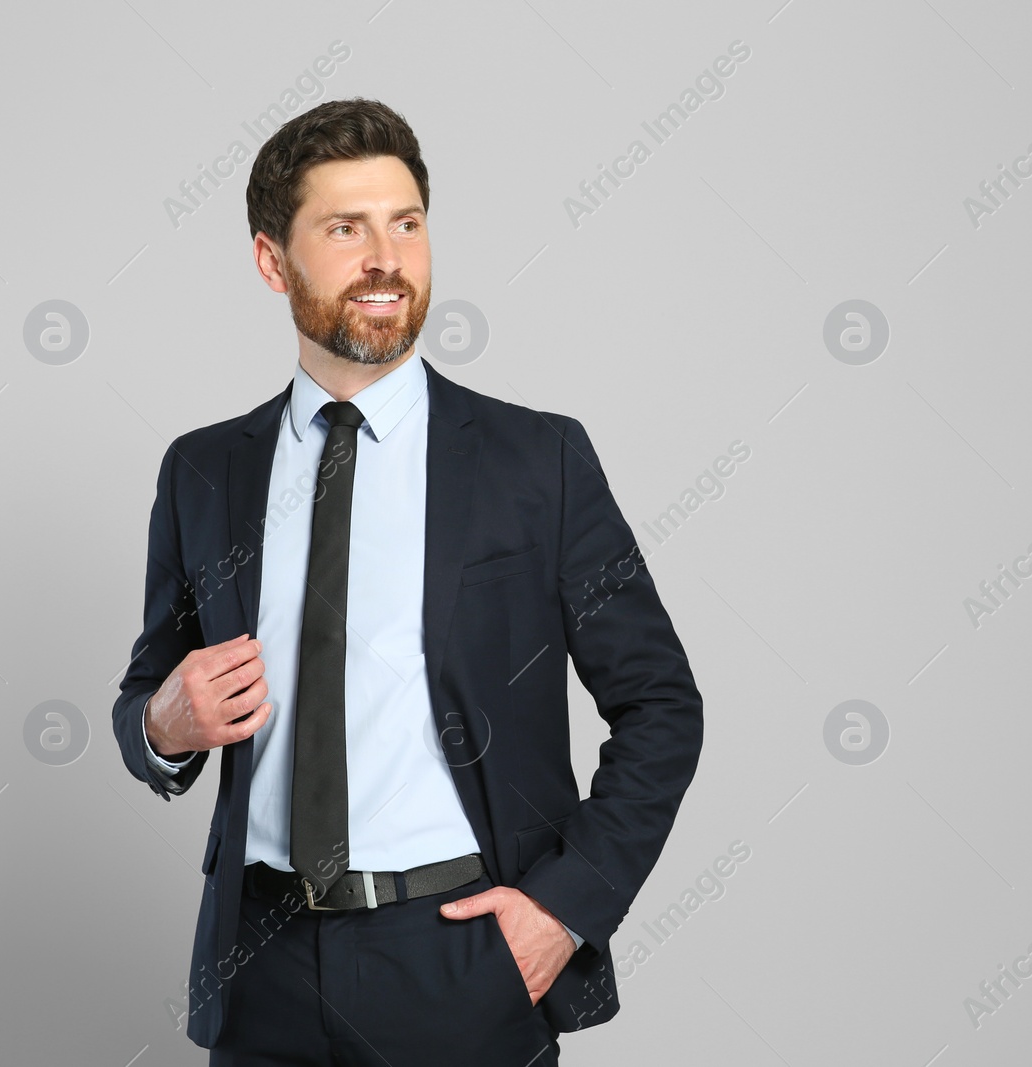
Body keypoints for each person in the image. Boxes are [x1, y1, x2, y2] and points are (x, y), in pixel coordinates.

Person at [110, 97, 704, 1066]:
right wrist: (161, 726)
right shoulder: (204, 470)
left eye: (407, 223)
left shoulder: (533, 459)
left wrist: (562, 908)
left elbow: (660, 704)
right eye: (345, 228)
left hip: (460, 960)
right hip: (257, 964)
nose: (385, 255)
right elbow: (149, 689)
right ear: (273, 260)